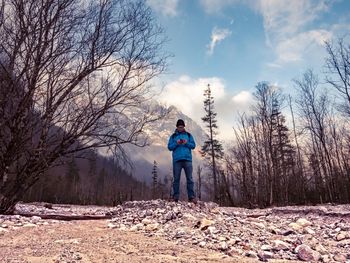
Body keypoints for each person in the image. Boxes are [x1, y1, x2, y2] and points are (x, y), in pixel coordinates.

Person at [167, 119, 197, 203]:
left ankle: (191, 197)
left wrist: (186, 143)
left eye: (182, 127)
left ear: (184, 127)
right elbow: (169, 147)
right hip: (177, 160)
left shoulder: (188, 135)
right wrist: (176, 143)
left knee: (190, 179)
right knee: (176, 179)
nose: (181, 128)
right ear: (177, 127)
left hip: (187, 159)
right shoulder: (173, 136)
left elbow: (193, 145)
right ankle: (175, 197)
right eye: (179, 127)